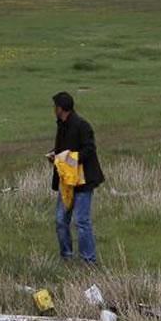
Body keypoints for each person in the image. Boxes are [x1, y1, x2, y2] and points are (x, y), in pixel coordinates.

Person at [47, 92, 104, 264]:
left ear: (61, 108)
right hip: (66, 181)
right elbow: (63, 150)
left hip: (83, 181)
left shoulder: (82, 125)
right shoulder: (61, 125)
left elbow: (89, 150)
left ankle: (89, 261)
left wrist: (68, 158)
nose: (53, 110)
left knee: (81, 221)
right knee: (60, 220)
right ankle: (67, 256)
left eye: (55, 106)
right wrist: (54, 154)